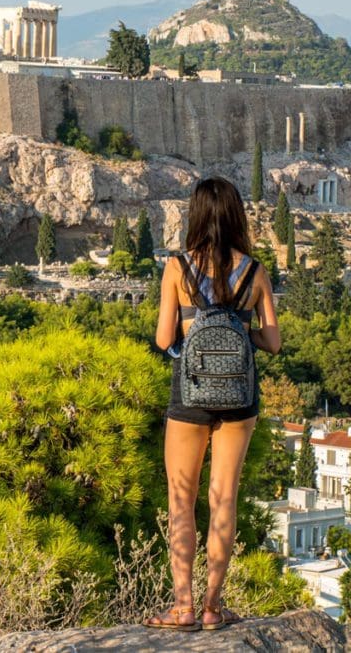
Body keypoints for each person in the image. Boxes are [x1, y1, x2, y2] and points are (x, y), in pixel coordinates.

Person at [143, 176, 281, 631]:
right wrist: (241, 332)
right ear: (237, 216)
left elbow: (165, 338)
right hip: (240, 398)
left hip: (190, 394)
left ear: (196, 215)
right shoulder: (255, 271)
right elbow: (274, 342)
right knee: (224, 499)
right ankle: (212, 609)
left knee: (181, 500)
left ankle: (181, 607)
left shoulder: (177, 269)